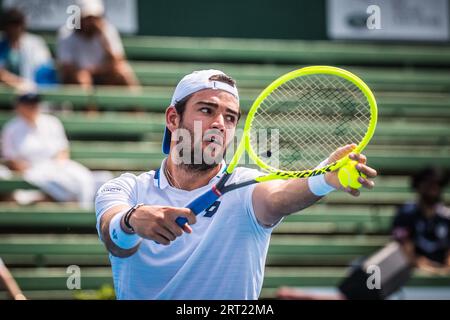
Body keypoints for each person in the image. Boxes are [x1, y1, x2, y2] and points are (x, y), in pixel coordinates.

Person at [95, 69, 377, 300]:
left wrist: (324, 179)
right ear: (173, 118)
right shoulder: (126, 189)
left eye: (230, 117)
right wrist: (132, 220)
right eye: (206, 110)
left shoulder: (246, 187)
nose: (220, 123)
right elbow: (115, 240)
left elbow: (280, 197)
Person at [1, 93, 96, 208]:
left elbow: (63, 150)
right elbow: (12, 159)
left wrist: (56, 167)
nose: (32, 107)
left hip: (56, 166)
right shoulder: (11, 129)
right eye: (28, 105)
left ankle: (82, 208)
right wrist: (35, 171)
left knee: (82, 177)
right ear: (19, 107)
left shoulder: (52, 122)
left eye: (34, 104)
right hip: (30, 171)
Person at [56, 0, 139, 90]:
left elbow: (118, 60)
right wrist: (85, 73)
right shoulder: (66, 33)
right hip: (77, 77)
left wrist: (103, 38)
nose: (92, 22)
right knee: (83, 79)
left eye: (95, 18)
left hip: (104, 74)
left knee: (124, 72)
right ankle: (89, 104)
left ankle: (138, 103)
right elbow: (67, 67)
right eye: (87, 18)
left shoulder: (108, 30)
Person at [392, 166, 450, 275]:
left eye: (437, 184)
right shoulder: (405, 215)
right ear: (418, 186)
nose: (433, 188)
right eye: (428, 184)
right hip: (411, 275)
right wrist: (421, 264)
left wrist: (445, 269)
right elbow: (404, 249)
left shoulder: (446, 217)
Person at [0, 8, 57, 90]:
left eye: (18, 23)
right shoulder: (1, 43)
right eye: (11, 23)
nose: (15, 28)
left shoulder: (35, 43)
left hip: (32, 93)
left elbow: (44, 71)